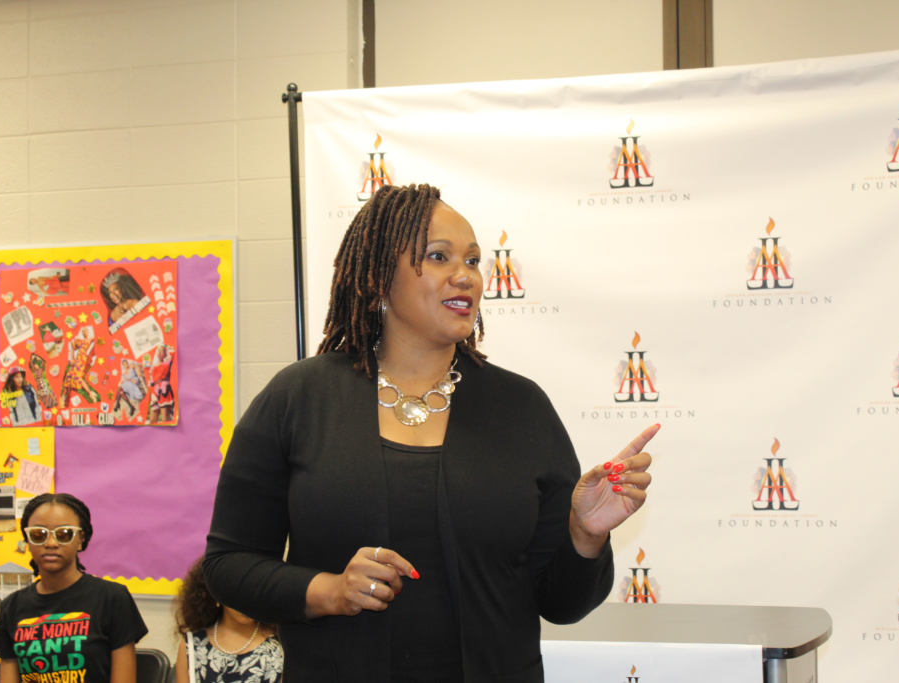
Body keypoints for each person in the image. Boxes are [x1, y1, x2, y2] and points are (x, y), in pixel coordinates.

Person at [204, 184, 656, 682]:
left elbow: (563, 605)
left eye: (473, 261)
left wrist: (585, 535)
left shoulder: (521, 407)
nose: (465, 276)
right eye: (439, 257)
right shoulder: (300, 398)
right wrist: (330, 591)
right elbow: (229, 565)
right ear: (380, 275)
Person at [0, 493, 147, 683]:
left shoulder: (112, 598)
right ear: (27, 539)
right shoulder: (11, 607)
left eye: (64, 534)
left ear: (81, 539)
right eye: (38, 534)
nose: (51, 543)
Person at [174, 557, 283, 683]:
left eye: (254, 593)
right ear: (217, 592)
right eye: (238, 594)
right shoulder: (192, 646)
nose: (246, 604)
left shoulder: (282, 646)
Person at [148, 345, 175, 424]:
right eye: (159, 351)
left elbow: (172, 353)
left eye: (162, 351)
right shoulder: (152, 367)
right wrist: (153, 395)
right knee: (152, 421)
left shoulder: (167, 363)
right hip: (155, 393)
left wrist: (168, 348)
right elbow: (151, 383)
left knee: (165, 420)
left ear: (165, 354)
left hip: (164, 391)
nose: (160, 353)